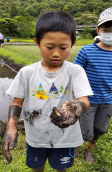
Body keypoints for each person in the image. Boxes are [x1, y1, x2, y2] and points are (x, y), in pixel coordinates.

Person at [2, 11, 93, 172]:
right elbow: (16, 102)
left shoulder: (75, 71)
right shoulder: (27, 72)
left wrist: (77, 105)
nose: (56, 53)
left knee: (61, 168)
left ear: (72, 44)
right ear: (37, 43)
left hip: (64, 137)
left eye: (63, 47)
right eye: (49, 47)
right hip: (36, 137)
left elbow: (84, 100)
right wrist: (11, 125)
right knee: (36, 166)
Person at [73, 7, 112, 163]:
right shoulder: (87, 51)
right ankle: (75, 146)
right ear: (98, 30)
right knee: (85, 132)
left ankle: (88, 150)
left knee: (100, 129)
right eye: (107, 30)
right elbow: (75, 73)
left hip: (108, 101)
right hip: (88, 100)